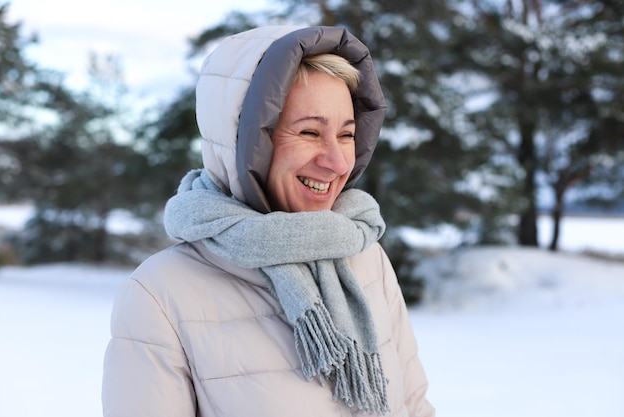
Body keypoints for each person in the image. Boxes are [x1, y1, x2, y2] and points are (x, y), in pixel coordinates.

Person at [102, 25, 435, 417]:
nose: (338, 161)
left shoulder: (365, 257)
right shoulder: (161, 292)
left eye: (346, 135)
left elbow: (413, 406)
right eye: (309, 132)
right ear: (246, 144)